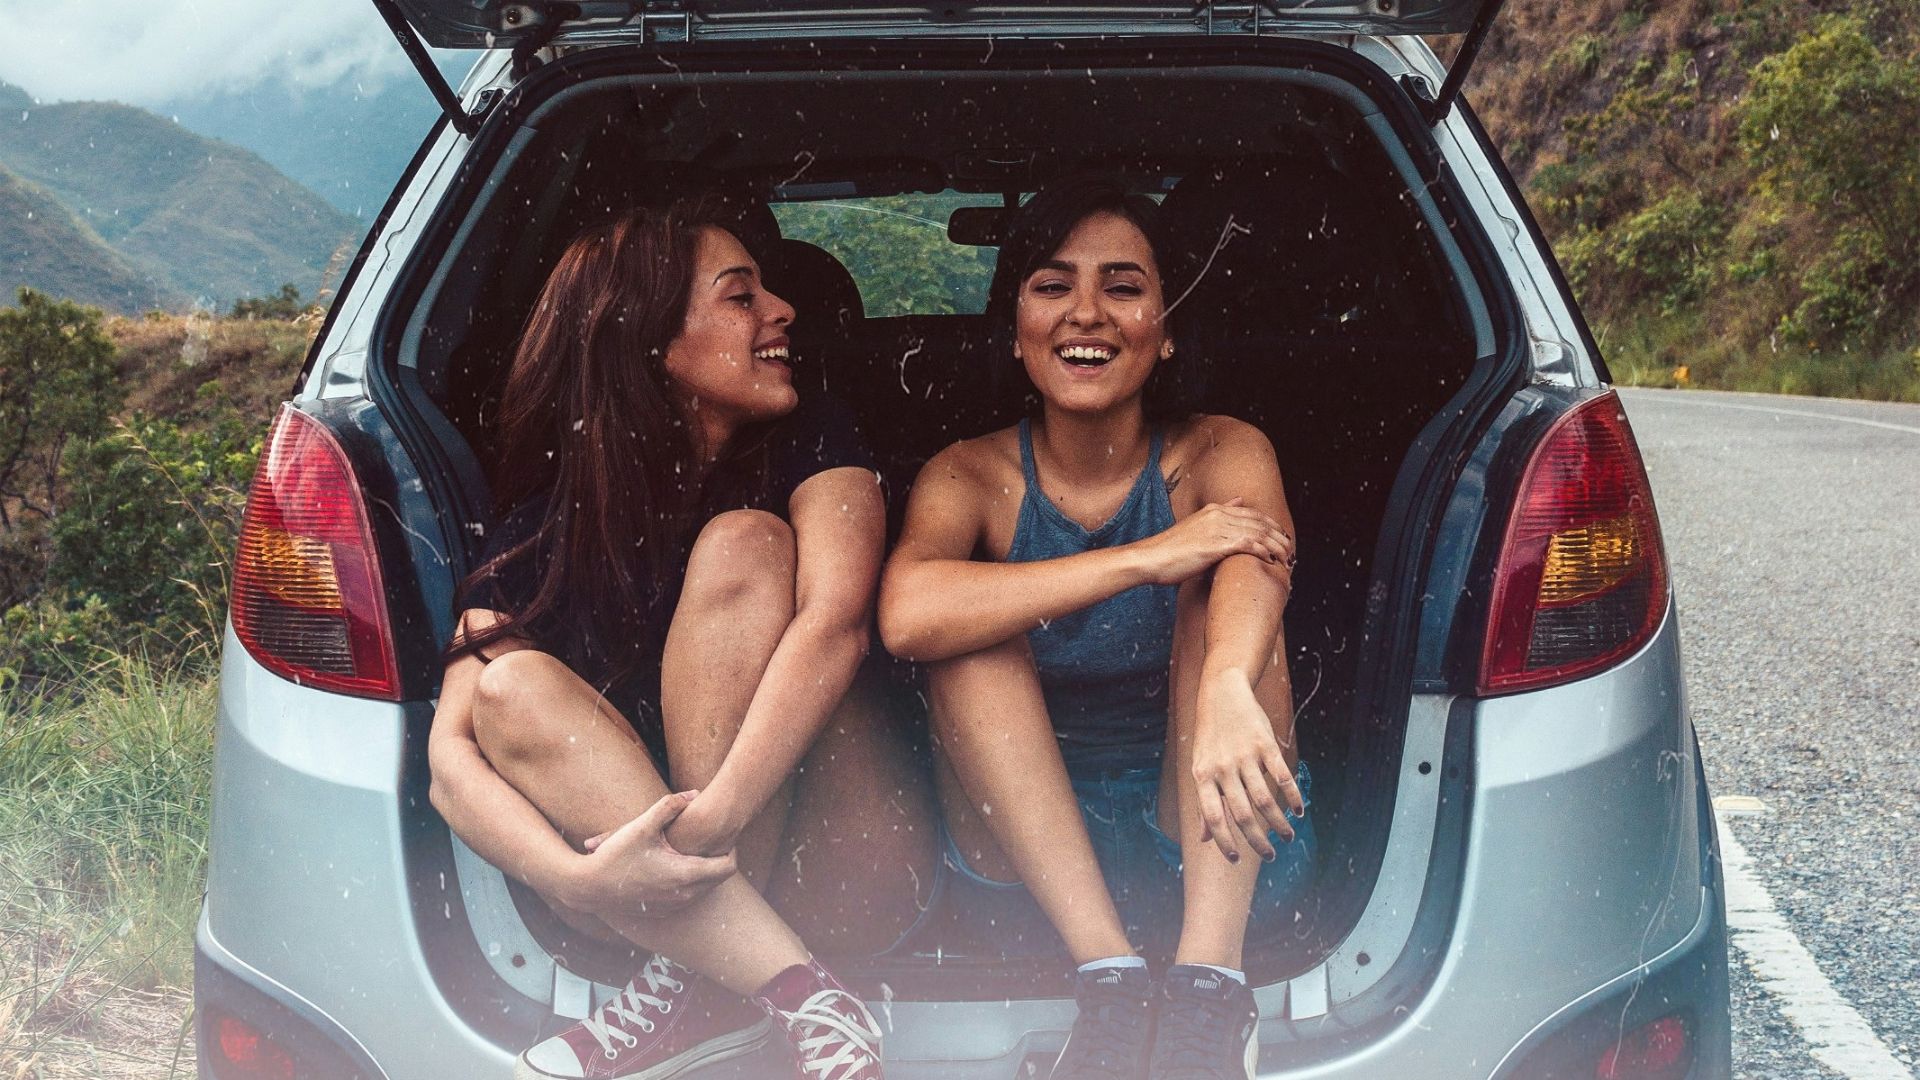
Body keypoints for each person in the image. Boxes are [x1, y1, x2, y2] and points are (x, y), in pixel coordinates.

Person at [428, 198, 929, 1080]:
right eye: (743, 297)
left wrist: (710, 831)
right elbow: (450, 763)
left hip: (844, 861)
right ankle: (799, 995)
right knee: (507, 689)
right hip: (642, 897)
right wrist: (573, 880)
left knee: (747, 541)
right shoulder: (546, 527)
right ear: (651, 340)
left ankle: (699, 983)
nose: (783, 311)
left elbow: (837, 624)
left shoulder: (815, 439)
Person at [877, 176, 1312, 1079]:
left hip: (1211, 839)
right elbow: (908, 615)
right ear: (1014, 329)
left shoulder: (1222, 447)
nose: (1087, 314)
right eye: (1051, 285)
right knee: (970, 626)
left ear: (1167, 326)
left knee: (1227, 596)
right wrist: (1144, 557)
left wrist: (1229, 683)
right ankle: (1109, 984)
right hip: (1033, 869)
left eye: (1123, 286)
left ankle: (1208, 996)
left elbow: (1260, 561)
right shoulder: (967, 473)